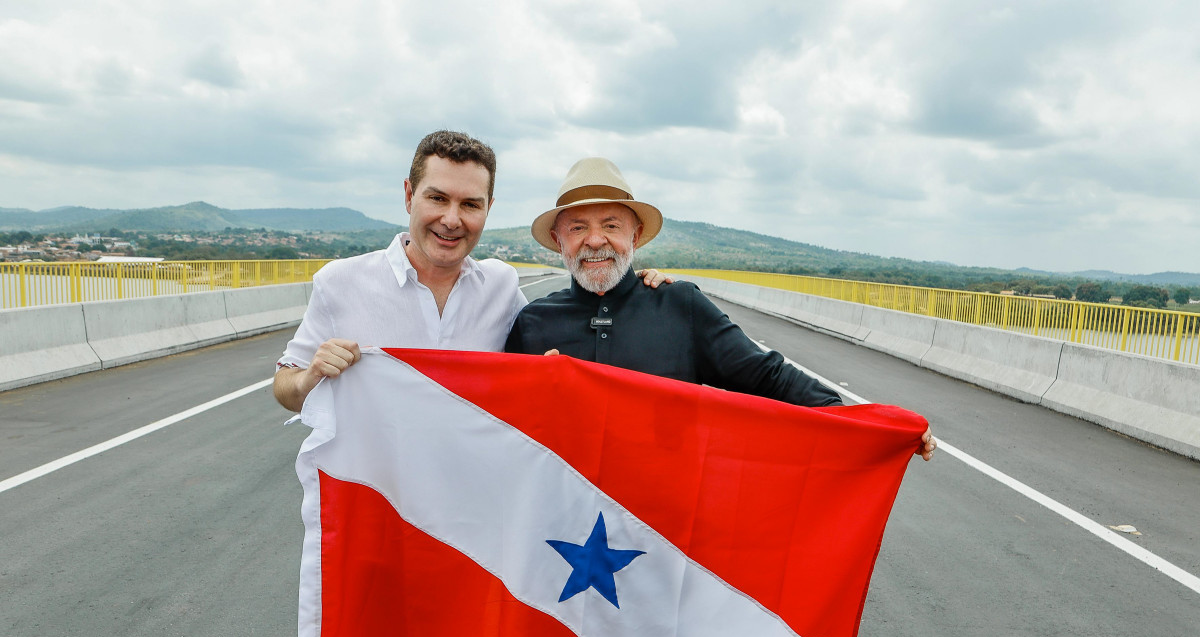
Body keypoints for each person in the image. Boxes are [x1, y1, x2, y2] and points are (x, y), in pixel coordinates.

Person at [505, 157, 936, 459]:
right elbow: (495, 423)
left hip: (664, 534)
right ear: (559, 240)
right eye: (578, 227)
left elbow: (767, 375)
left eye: (611, 226)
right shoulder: (532, 324)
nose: (595, 240)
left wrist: (871, 427)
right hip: (564, 543)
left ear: (635, 236)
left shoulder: (679, 305)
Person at [274, 132, 669, 413]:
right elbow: (285, 385)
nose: (451, 219)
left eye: (470, 204)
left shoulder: (501, 287)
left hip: (465, 520)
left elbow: (554, 338)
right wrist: (310, 377)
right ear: (409, 196)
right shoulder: (339, 281)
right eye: (438, 198)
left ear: (488, 208)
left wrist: (638, 288)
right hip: (373, 510)